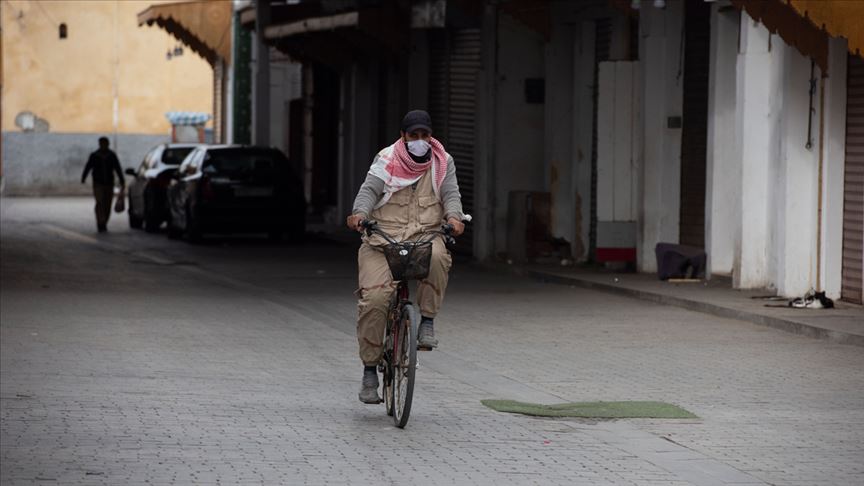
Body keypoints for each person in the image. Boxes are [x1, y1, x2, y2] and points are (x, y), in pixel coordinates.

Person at [347, 110, 466, 404]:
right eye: (414, 136)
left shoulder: (442, 161)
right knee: (374, 300)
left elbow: (451, 195)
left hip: (425, 236)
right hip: (382, 240)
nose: (420, 141)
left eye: (425, 135)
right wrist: (359, 215)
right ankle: (370, 370)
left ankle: (426, 320)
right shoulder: (386, 160)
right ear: (403, 137)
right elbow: (368, 192)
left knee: (440, 256)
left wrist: (454, 217)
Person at [81, 137, 124, 232]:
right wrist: (83, 177)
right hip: (98, 183)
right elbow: (88, 167)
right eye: (102, 143)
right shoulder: (94, 155)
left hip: (109, 183)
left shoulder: (112, 156)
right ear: (99, 144)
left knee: (107, 204)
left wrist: (122, 180)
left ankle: (104, 221)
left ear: (107, 144)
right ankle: (100, 221)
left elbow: (118, 168)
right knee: (99, 202)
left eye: (105, 143)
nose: (103, 145)